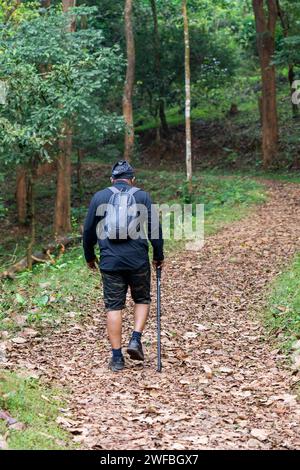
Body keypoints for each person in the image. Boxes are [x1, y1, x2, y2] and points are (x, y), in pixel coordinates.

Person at [83, 160, 164, 372]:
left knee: (114, 306)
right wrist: (158, 255)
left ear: (112, 179)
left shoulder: (100, 197)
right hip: (137, 260)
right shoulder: (142, 196)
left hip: (110, 261)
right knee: (142, 298)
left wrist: (90, 256)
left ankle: (117, 358)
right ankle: (135, 339)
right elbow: (154, 228)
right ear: (132, 180)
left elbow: (88, 231)